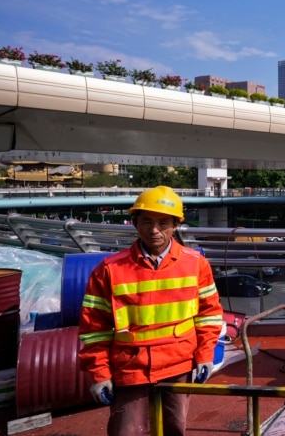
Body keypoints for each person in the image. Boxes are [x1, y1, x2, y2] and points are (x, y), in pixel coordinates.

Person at [79, 186, 224, 436]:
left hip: (178, 365)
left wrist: (204, 355)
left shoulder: (196, 264)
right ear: (135, 222)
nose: (154, 230)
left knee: (174, 428)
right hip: (130, 367)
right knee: (126, 432)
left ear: (176, 225)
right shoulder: (109, 269)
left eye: (163, 222)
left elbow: (209, 315)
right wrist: (100, 374)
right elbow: (94, 329)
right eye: (146, 221)